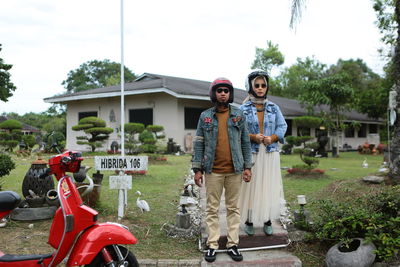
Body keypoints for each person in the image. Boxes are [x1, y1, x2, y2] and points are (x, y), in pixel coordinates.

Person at [192, 77, 253, 263]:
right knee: (212, 209)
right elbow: (199, 143)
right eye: (219, 90)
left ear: (230, 94)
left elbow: (245, 142)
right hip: (213, 171)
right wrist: (197, 169)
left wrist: (247, 167)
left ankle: (233, 244)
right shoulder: (205, 117)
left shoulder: (238, 115)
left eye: (226, 90)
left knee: (233, 208)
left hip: (235, 170)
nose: (223, 93)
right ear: (214, 93)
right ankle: (212, 245)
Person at [238, 70, 287, 236]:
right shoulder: (242, 109)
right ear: (250, 87)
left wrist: (272, 137)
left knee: (268, 185)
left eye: (263, 85)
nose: (260, 88)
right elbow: (236, 129)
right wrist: (252, 136)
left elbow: (282, 126)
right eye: (256, 85)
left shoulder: (274, 108)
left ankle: (267, 220)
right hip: (251, 152)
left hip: (270, 153)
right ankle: (249, 220)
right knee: (250, 186)